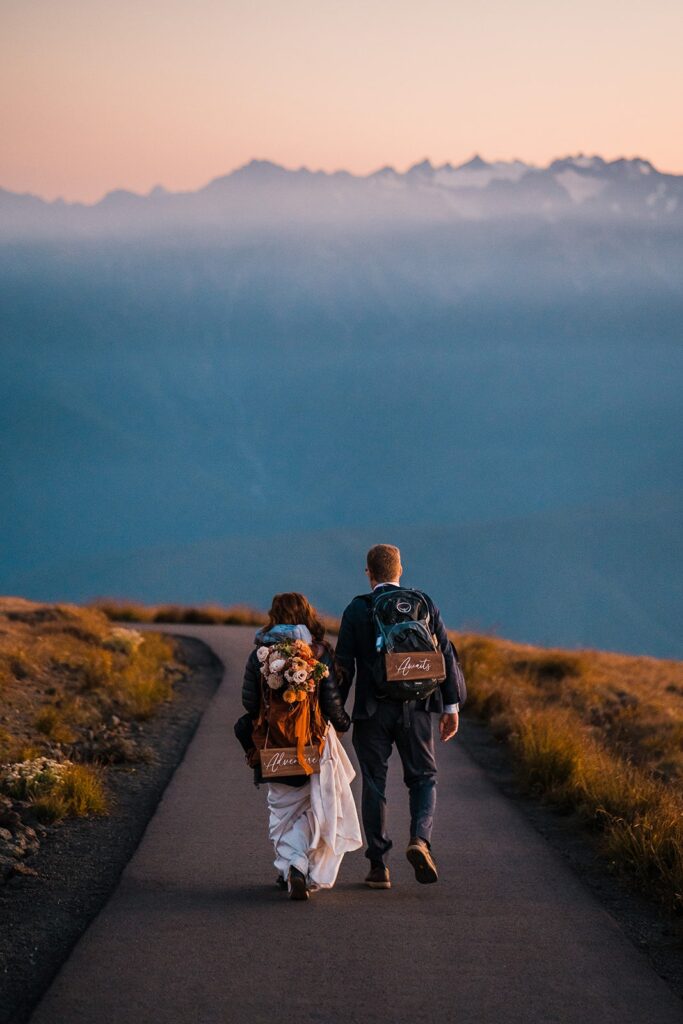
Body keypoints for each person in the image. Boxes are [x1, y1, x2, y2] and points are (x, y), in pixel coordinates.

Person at [335, 544, 465, 889]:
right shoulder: (423, 602)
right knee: (423, 778)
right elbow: (447, 653)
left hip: (372, 711)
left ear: (368, 573)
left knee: (375, 784)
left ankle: (379, 866)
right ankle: (420, 840)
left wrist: (333, 716)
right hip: (418, 707)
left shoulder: (357, 609)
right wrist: (450, 706)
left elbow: (343, 667)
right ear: (400, 570)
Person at [242, 592, 360, 900]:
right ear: (307, 615)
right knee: (315, 807)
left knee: (281, 810)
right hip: (313, 744)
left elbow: (249, 702)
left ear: (274, 615)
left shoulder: (260, 653)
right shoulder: (318, 651)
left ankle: (292, 865)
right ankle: (298, 864)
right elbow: (332, 702)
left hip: (274, 745)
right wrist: (344, 724)